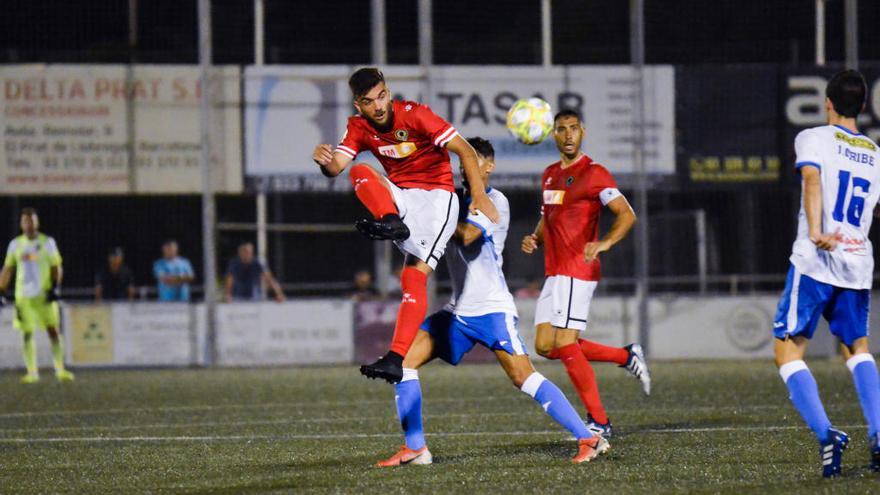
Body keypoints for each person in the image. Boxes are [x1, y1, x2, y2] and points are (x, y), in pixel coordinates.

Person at [377, 137, 607, 467]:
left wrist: (434, 219)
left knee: (523, 376)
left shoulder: (496, 200)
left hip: (490, 309)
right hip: (457, 312)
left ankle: (590, 438)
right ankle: (416, 448)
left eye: (472, 162)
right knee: (404, 363)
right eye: (461, 164)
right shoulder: (453, 201)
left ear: (489, 166)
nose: (464, 169)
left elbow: (468, 236)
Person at [312, 67, 499, 384]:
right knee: (360, 172)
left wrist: (479, 195)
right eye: (369, 101)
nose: (379, 105)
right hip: (402, 199)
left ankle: (396, 357)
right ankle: (390, 221)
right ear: (358, 105)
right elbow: (338, 167)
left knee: (413, 278)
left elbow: (465, 150)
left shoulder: (416, 115)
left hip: (437, 201)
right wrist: (325, 161)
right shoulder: (357, 127)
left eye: (382, 95)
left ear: (388, 91)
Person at [771, 70, 880, 478]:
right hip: (856, 263)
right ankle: (879, 435)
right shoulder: (874, 152)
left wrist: (816, 230)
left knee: (787, 351)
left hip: (816, 260)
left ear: (827, 103)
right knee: (858, 349)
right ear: (864, 107)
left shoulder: (813, 138)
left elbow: (812, 179)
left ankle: (827, 434)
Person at [521, 109, 651, 439]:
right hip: (554, 271)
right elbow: (546, 215)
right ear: (553, 134)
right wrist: (535, 237)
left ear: (583, 132)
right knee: (545, 346)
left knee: (565, 343)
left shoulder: (594, 173)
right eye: (562, 129)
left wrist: (605, 242)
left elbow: (627, 214)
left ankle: (599, 422)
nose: (568, 135)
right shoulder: (549, 174)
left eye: (574, 129)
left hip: (578, 268)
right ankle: (625, 355)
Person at [0, 208, 74, 383]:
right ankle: (32, 372)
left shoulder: (47, 242)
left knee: (53, 330)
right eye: (25, 221)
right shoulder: (15, 244)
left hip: (44, 296)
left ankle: (60, 369)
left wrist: (56, 288)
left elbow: (56, 266)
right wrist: (1, 291)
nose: (29, 224)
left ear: (37, 222)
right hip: (23, 298)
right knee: (27, 333)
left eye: (32, 220)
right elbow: (7, 269)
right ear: (21, 224)